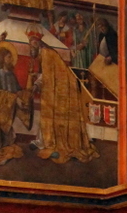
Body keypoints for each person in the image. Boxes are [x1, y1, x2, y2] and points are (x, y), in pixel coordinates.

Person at [26, 31, 99, 164]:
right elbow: (45, 74)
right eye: (30, 45)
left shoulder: (47, 54)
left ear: (39, 45)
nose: (31, 48)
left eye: (33, 45)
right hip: (53, 87)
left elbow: (48, 75)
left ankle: (51, 144)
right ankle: (41, 141)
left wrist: (36, 85)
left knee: (54, 115)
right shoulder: (43, 55)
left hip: (61, 87)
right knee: (48, 115)